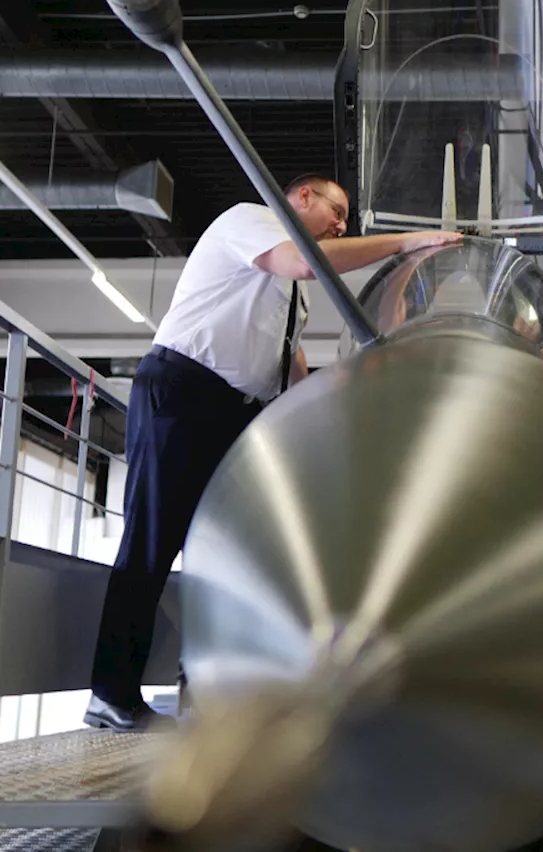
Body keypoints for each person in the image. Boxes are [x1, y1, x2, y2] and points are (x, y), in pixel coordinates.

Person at [85, 175, 462, 731]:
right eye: (336, 212)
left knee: (228, 550)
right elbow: (307, 262)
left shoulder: (293, 292)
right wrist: (408, 242)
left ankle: (212, 690)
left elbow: (290, 363)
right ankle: (110, 693)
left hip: (235, 411)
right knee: (153, 540)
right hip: (184, 391)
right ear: (302, 198)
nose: (340, 225)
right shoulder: (251, 222)